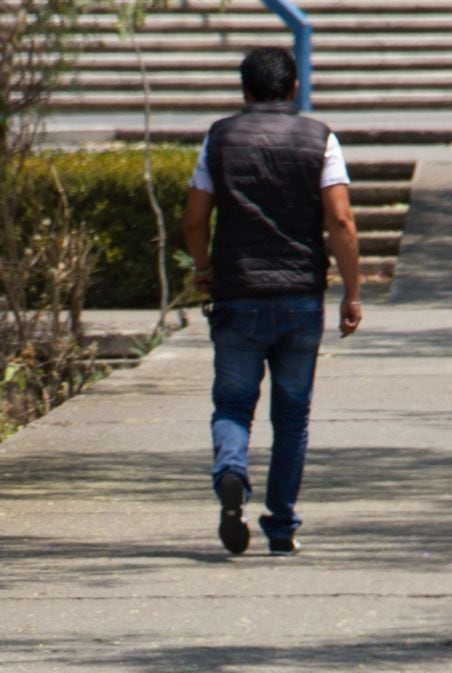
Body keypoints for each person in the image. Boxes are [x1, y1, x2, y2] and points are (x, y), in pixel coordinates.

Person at [183, 46, 362, 557]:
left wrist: (202, 268)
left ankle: (232, 471)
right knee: (291, 416)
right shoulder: (320, 138)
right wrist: (352, 292)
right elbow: (341, 221)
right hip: (300, 300)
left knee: (233, 404)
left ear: (244, 92)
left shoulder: (219, 138)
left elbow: (195, 219)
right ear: (293, 89)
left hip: (238, 295)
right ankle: (281, 526)